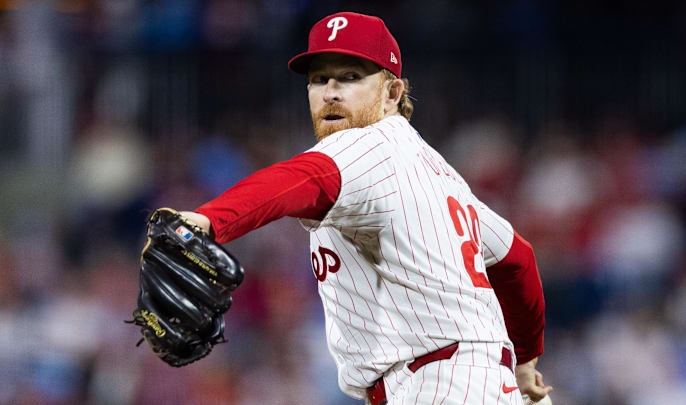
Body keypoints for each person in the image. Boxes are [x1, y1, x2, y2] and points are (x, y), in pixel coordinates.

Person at [179, 11, 552, 405]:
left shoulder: (365, 145)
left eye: (351, 77)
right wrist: (525, 363)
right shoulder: (436, 173)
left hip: (438, 384)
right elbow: (517, 259)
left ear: (392, 93)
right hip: (478, 382)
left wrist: (204, 221)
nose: (331, 92)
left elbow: (300, 178)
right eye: (319, 79)